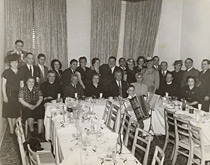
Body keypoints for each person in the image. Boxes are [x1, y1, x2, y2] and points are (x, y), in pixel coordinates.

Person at [2, 54, 23, 136]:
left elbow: (22, 84)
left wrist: (21, 94)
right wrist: (4, 96)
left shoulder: (20, 72)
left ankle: (12, 127)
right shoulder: (6, 72)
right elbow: (3, 85)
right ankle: (11, 128)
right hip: (9, 94)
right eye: (12, 62)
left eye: (16, 62)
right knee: (9, 112)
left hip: (17, 94)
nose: (14, 64)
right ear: (10, 63)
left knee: (15, 112)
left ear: (18, 63)